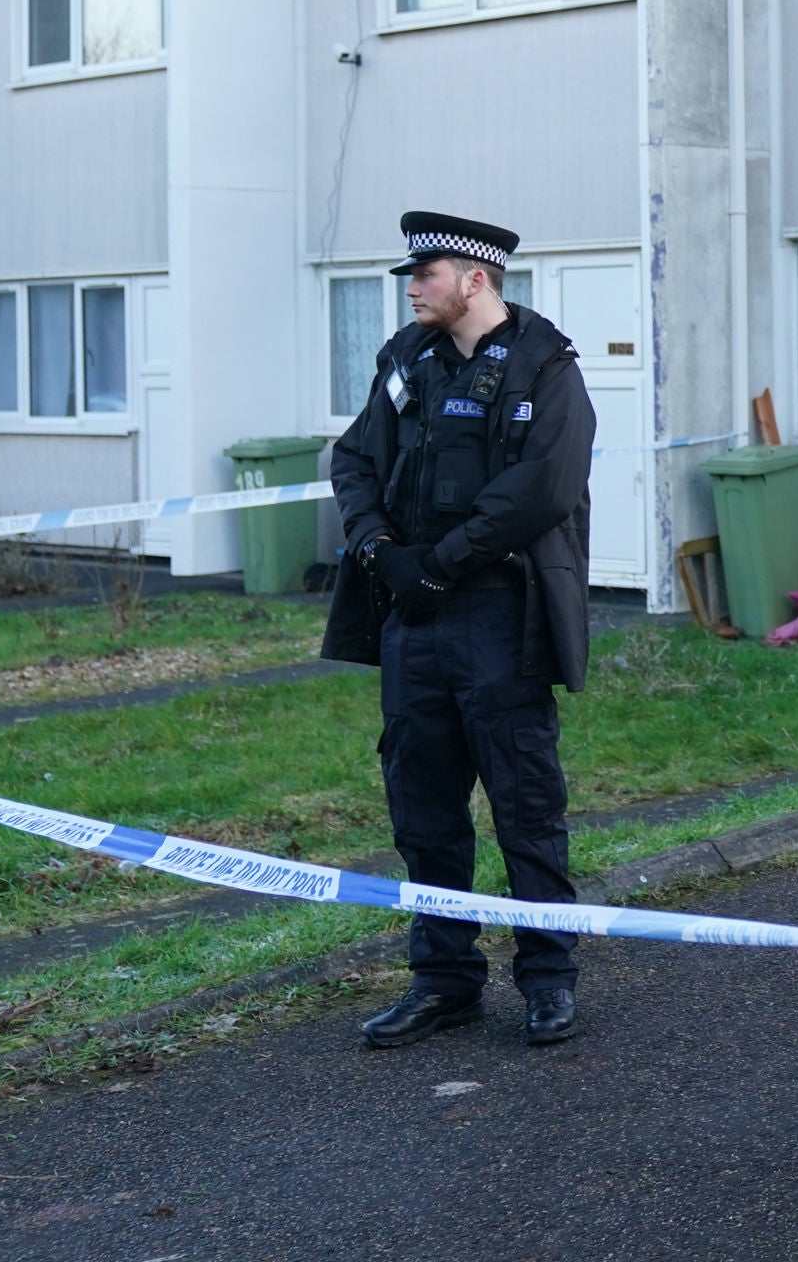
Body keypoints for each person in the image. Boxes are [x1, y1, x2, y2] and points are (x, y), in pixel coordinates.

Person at [323, 212, 597, 1050]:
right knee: (423, 805)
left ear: (474, 280)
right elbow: (355, 459)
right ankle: (443, 979)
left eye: (425, 273)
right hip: (414, 619)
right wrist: (375, 544)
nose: (411, 287)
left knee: (524, 803)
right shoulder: (406, 361)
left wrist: (442, 559)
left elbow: (542, 486)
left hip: (496, 617)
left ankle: (548, 979)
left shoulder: (545, 366)